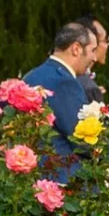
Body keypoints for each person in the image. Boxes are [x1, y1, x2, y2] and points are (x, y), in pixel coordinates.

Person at [21, 22, 97, 179]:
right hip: (62, 179)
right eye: (92, 50)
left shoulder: (30, 76)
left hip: (31, 175)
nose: (94, 58)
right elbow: (81, 140)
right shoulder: (64, 82)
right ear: (76, 48)